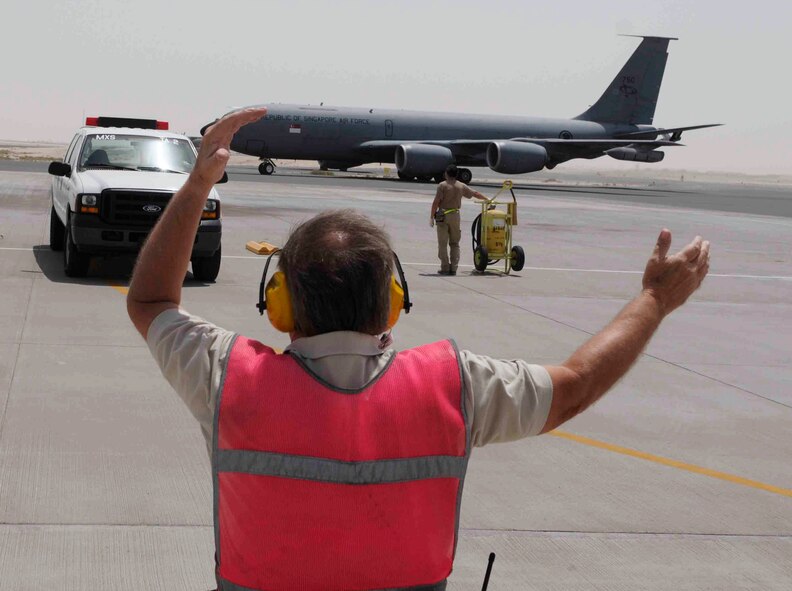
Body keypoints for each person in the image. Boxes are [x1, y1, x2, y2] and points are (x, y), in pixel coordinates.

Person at [127, 108, 711, 591]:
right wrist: (655, 300)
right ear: (392, 303)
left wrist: (197, 184)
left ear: (278, 303)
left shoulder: (228, 377)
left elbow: (151, 299)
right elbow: (578, 384)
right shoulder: (455, 385)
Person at [429, 164, 488, 275]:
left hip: (443, 215)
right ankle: (453, 268)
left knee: (442, 243)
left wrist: (432, 216)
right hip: (455, 215)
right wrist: (487, 199)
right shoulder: (461, 186)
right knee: (455, 243)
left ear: (446, 174)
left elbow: (436, 202)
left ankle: (445, 267)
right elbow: (475, 193)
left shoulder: (442, 185)